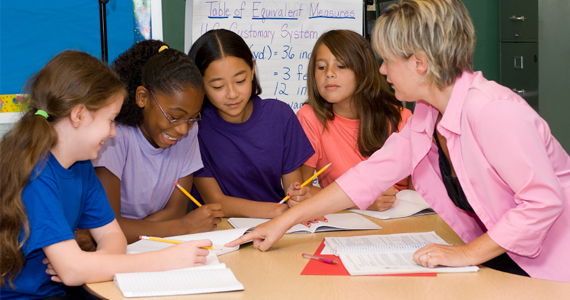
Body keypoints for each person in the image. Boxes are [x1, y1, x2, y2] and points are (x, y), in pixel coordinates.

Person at [228, 0, 570, 283]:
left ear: (419, 63)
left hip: (550, 265)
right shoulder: (428, 111)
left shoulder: (492, 111)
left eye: (388, 60)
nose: (381, 71)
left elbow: (542, 203)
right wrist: (284, 221)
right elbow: (370, 175)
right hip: (500, 257)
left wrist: (465, 253)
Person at [0, 50, 212, 299]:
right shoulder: (37, 176)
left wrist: (90, 264)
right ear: (79, 115)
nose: (113, 133)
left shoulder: (81, 167)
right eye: (110, 120)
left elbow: (113, 235)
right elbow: (71, 271)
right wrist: (167, 259)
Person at [85, 40, 223, 246]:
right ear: (142, 97)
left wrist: (130, 229)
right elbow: (108, 225)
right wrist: (184, 227)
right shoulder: (115, 135)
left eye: (193, 117)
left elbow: (175, 211)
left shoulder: (188, 130)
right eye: (175, 116)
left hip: (146, 247)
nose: (183, 129)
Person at [188, 29, 315, 218]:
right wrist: (280, 211)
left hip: (277, 227)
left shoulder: (280, 116)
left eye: (240, 80)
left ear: (252, 68)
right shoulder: (194, 129)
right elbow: (216, 202)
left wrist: (296, 198)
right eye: (218, 87)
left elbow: (292, 190)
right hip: (221, 232)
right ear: (200, 83)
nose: (232, 94)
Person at [295, 29, 412, 211]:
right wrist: (362, 201)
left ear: (363, 71)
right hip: (348, 223)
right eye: (321, 67)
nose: (329, 73)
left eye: (340, 66)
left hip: (405, 218)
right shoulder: (310, 117)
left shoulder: (402, 118)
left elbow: (424, 190)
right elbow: (302, 191)